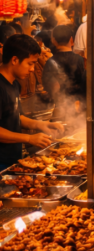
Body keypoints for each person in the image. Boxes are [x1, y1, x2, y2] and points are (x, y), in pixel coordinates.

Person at [0, 35, 65, 171]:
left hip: (12, 159)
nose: (32, 69)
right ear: (14, 60)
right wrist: (29, 138)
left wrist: (42, 125)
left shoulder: (14, 84)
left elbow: (17, 117)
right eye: (30, 63)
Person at [42, 25, 85, 122]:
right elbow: (85, 83)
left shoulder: (50, 62)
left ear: (53, 41)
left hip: (59, 108)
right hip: (79, 107)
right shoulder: (80, 60)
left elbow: (48, 86)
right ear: (71, 39)